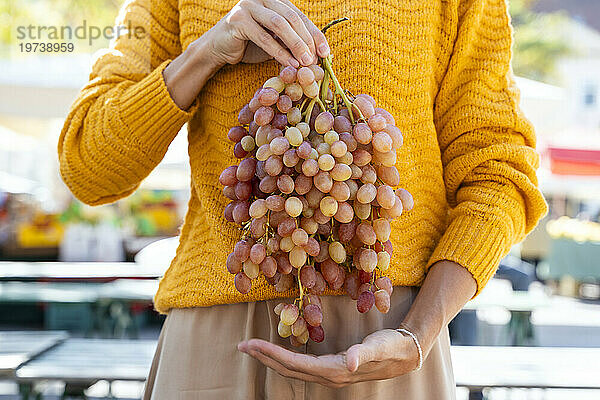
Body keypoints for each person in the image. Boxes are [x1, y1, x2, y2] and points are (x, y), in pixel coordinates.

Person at [57, 0, 548, 398]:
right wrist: (206, 51)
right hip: (218, 345)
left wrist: (418, 334)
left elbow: (499, 174)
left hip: (387, 340)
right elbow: (88, 165)